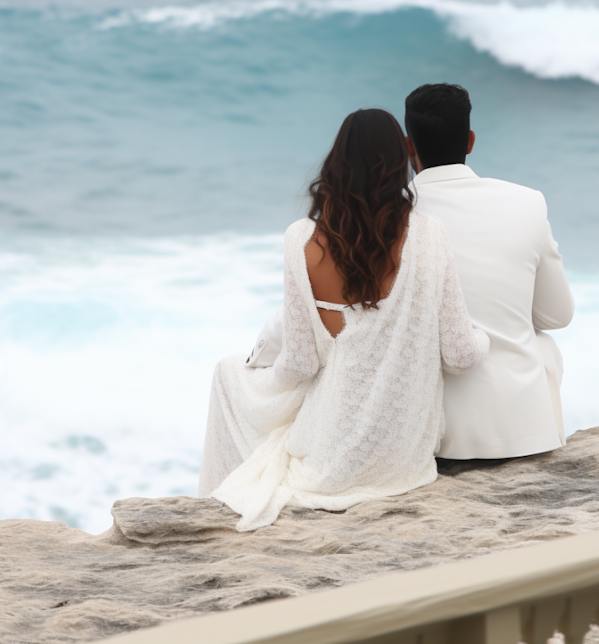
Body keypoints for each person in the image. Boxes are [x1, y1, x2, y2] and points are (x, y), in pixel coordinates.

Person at [198, 109, 489, 530]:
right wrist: (487, 337)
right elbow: (461, 355)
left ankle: (210, 520)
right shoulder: (430, 234)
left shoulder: (301, 240)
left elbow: (299, 364)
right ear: (402, 160)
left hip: (330, 462)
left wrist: (256, 376)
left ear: (336, 161)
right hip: (404, 464)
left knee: (228, 374)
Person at [405, 83, 574, 461]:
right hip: (527, 433)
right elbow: (557, 316)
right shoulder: (527, 202)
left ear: (408, 146)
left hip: (432, 436)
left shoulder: (391, 215)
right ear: (470, 140)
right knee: (543, 341)